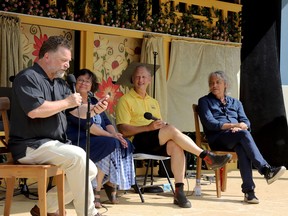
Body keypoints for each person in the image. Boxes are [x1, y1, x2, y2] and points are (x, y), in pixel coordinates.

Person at [8, 36, 105, 216]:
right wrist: (68, 102)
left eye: (68, 61)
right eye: (63, 60)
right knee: (78, 157)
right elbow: (35, 111)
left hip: (53, 144)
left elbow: (75, 111)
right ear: (46, 57)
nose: (67, 65)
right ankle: (89, 213)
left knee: (90, 169)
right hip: (30, 146)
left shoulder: (60, 83)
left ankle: (45, 207)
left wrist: (93, 109)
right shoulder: (28, 78)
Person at [115, 64, 232, 208]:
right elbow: (123, 130)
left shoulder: (153, 102)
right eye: (138, 77)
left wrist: (160, 126)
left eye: (144, 77)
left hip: (153, 141)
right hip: (136, 141)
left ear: (150, 80)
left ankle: (179, 192)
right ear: (132, 79)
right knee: (170, 130)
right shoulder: (125, 100)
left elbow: (157, 127)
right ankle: (206, 156)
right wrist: (148, 127)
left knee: (176, 145)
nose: (141, 80)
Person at [197, 70, 286, 204]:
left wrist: (241, 126)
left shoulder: (236, 103)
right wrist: (233, 125)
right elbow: (210, 124)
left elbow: (246, 122)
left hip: (236, 137)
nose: (214, 85)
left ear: (225, 84)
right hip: (217, 139)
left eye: (217, 82)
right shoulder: (204, 101)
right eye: (211, 83)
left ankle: (249, 192)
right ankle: (265, 170)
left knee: (242, 145)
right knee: (243, 136)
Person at [66, 68, 135, 208]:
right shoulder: (72, 100)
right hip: (81, 140)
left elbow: (107, 122)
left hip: (100, 137)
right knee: (110, 143)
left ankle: (111, 182)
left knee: (124, 143)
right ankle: (97, 189)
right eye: (80, 80)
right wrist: (111, 136)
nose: (84, 83)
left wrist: (115, 134)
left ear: (92, 85)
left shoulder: (94, 100)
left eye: (88, 81)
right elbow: (89, 126)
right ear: (75, 83)